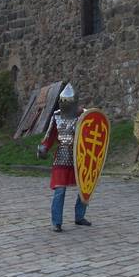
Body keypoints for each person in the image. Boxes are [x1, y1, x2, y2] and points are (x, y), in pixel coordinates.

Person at [37, 83, 91, 233]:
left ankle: (80, 216)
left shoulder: (84, 115)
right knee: (60, 190)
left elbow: (92, 133)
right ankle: (57, 222)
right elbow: (50, 136)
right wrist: (44, 148)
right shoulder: (56, 116)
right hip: (62, 156)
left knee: (85, 187)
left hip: (80, 156)